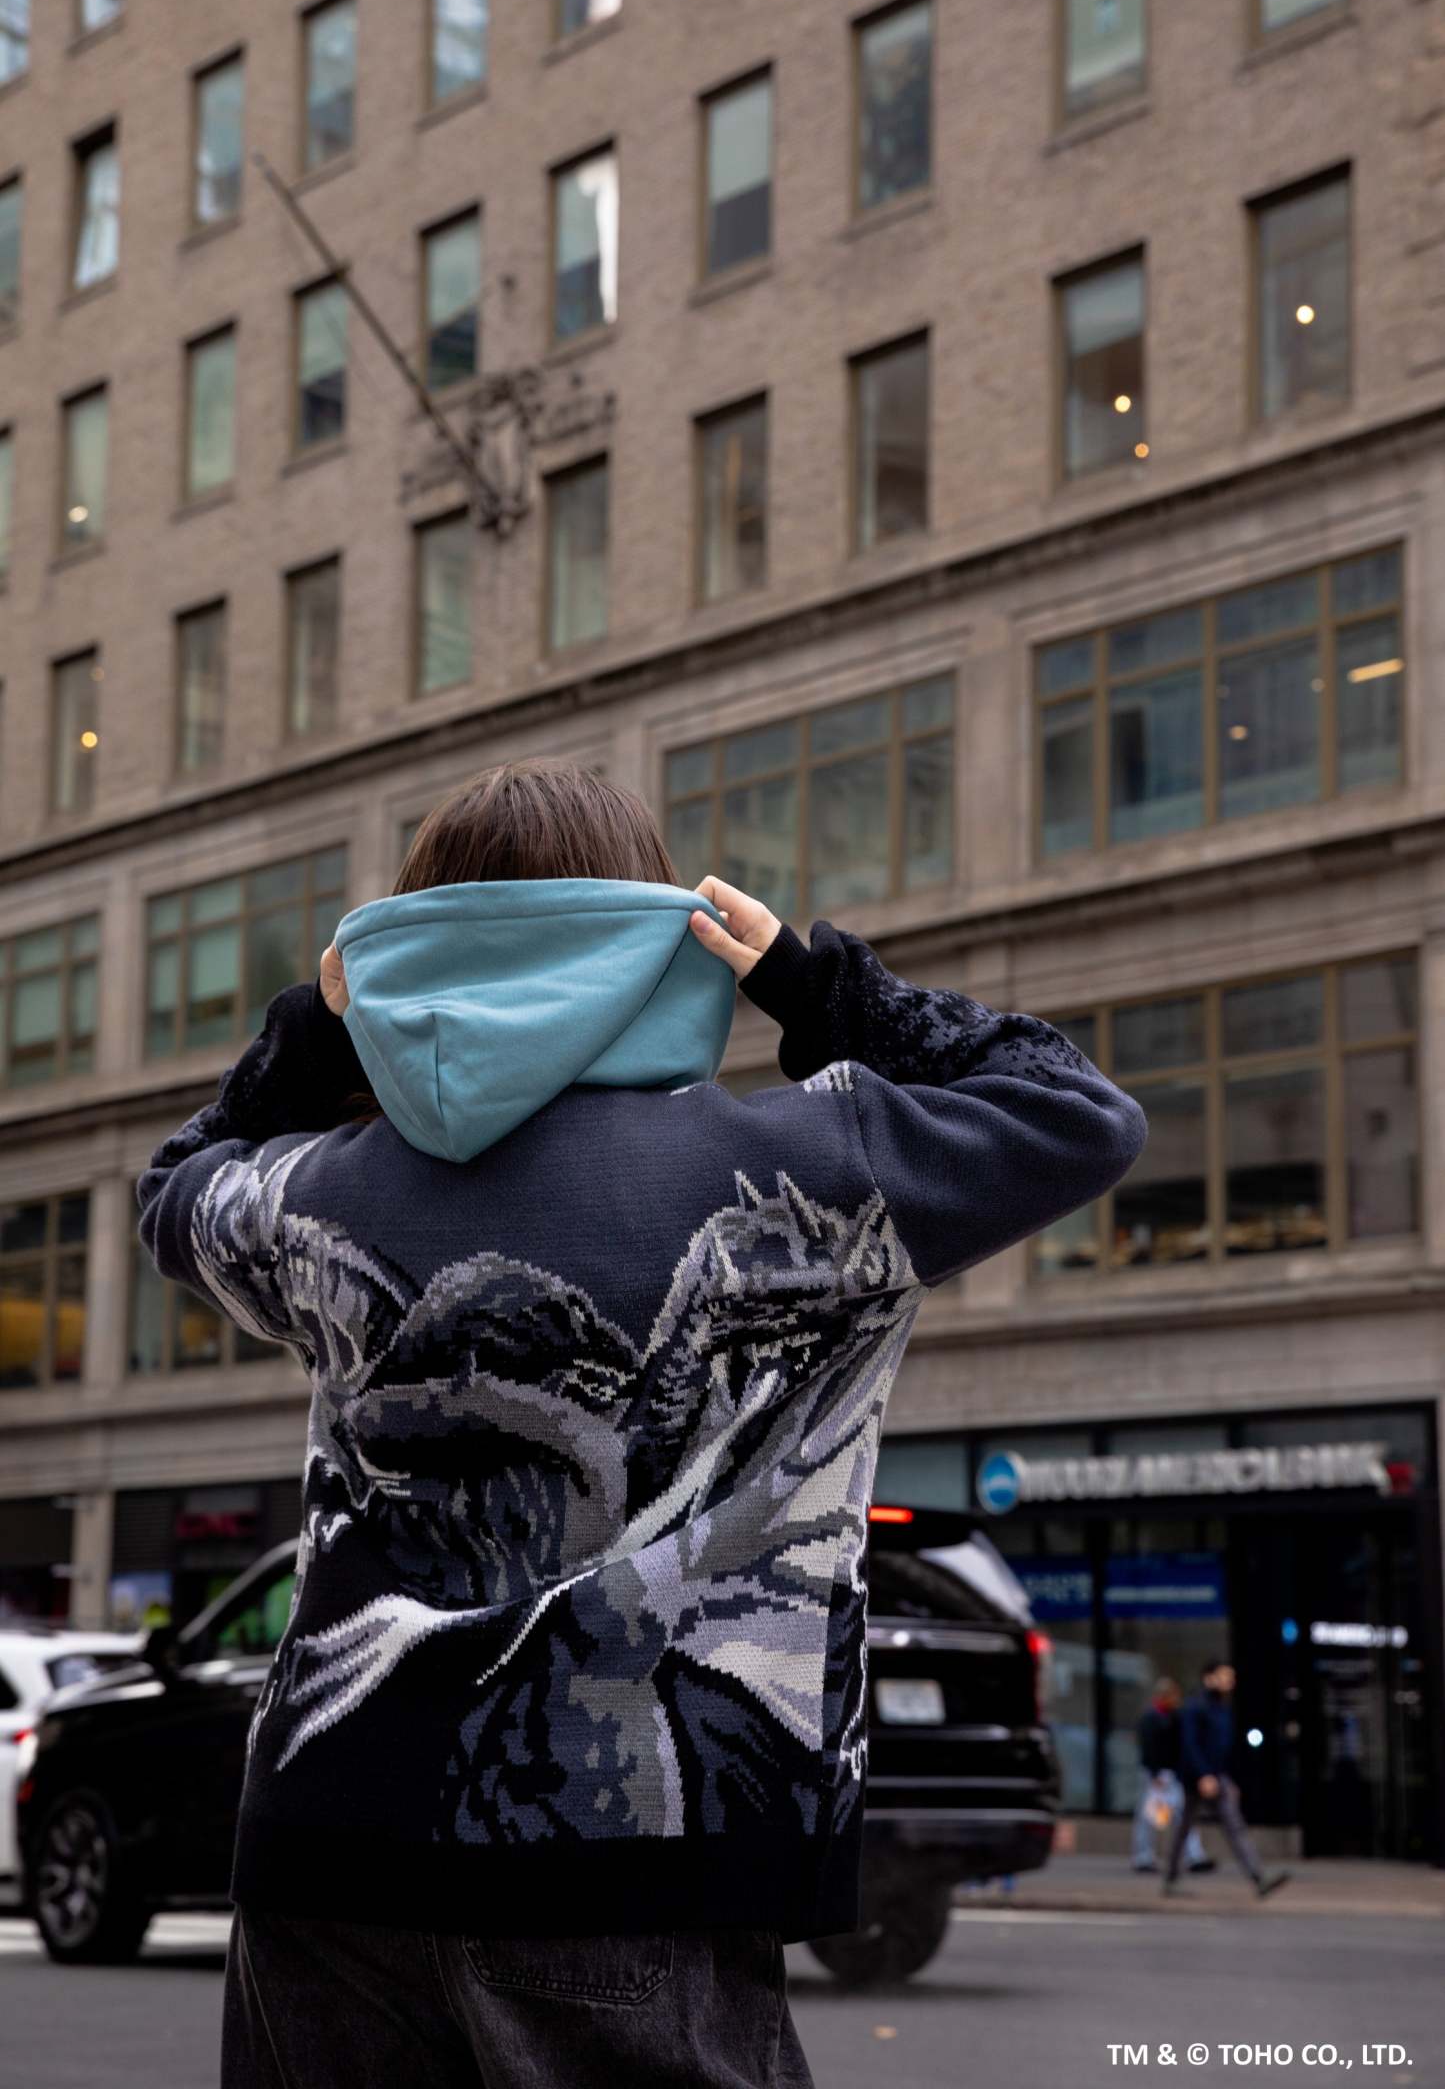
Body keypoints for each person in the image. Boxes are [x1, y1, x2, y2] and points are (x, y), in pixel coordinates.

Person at [135, 758, 1147, 2089]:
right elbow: (1076, 1110)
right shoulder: (804, 1169)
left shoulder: (312, 1191)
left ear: (406, 950)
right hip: (631, 1849)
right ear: (652, 935)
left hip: (321, 1857)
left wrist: (322, 1032)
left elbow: (174, 1184)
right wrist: (811, 983)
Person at [1163, 1660, 1290, 1900]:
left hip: (1217, 1777)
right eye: (1225, 1676)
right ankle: (1170, 1878)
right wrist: (1203, 1775)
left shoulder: (1222, 1707)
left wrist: (1225, 1778)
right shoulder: (1195, 1707)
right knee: (1184, 1828)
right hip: (1196, 1779)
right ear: (1209, 1678)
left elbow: (1222, 1747)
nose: (1230, 1681)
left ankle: (1258, 1877)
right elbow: (1190, 1745)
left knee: (1234, 1825)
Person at [1131, 1677, 1212, 1874]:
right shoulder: (1150, 1719)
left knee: (1183, 1815)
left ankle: (1194, 1855)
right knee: (1150, 1817)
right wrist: (1155, 1773)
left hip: (1173, 1775)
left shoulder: (1177, 1718)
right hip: (1156, 1775)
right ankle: (1143, 1856)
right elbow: (1148, 1748)